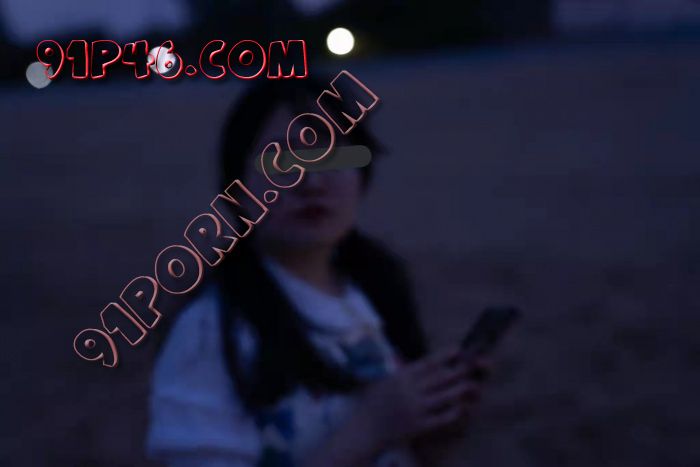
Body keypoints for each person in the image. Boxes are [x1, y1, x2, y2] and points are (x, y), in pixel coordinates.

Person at [147, 79, 491, 467]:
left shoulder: (378, 289)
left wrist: (429, 437)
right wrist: (369, 430)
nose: (310, 181)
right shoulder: (208, 333)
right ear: (238, 189)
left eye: (333, 155)